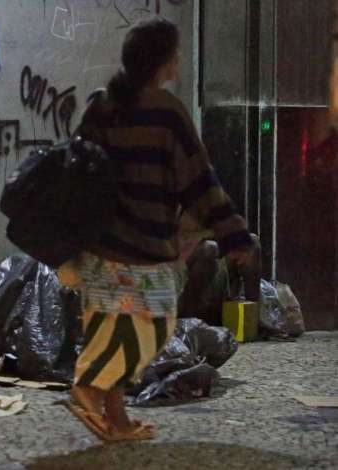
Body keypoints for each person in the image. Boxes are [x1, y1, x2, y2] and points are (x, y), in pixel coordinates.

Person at [58, 19, 255, 442]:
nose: (178, 61)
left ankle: (117, 419)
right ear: (161, 61)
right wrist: (233, 234)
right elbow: (201, 178)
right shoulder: (165, 111)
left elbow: (74, 170)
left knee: (112, 326)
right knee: (153, 323)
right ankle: (89, 386)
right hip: (141, 247)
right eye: (174, 54)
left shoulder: (102, 105)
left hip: (98, 247)